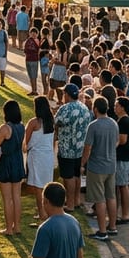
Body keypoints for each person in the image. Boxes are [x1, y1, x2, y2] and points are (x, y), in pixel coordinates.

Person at [81, 96, 118, 240]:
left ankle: (102, 231)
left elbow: (87, 148)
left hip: (97, 167)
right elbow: (115, 142)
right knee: (111, 196)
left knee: (99, 199)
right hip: (111, 165)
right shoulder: (114, 123)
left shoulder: (94, 126)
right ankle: (112, 226)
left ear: (95, 109)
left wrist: (83, 164)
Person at [54, 84, 92, 212]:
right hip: (80, 147)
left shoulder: (65, 109)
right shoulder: (84, 108)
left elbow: (57, 122)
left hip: (67, 148)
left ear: (67, 94)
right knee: (76, 175)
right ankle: (76, 200)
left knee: (68, 177)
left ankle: (69, 204)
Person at [0, 101, 26, 236]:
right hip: (18, 160)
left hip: (7, 162)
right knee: (16, 197)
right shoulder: (21, 126)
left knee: (7, 198)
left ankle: (9, 228)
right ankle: (17, 226)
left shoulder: (5, 128)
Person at [24, 97, 56, 227]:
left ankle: (42, 215)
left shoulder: (34, 122)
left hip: (36, 156)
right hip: (48, 156)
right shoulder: (51, 121)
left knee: (38, 187)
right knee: (46, 184)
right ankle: (45, 212)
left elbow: (25, 142)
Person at [112, 97, 129, 225]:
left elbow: (122, 140)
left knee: (122, 185)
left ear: (122, 107)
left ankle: (125, 214)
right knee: (120, 185)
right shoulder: (122, 120)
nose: (115, 108)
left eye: (116, 106)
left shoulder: (124, 121)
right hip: (123, 157)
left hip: (122, 157)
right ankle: (119, 212)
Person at [23, 28, 42, 96]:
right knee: (30, 76)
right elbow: (25, 50)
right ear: (30, 33)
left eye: (35, 33)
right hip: (28, 59)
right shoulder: (28, 41)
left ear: (37, 34)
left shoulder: (36, 40)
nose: (33, 34)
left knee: (34, 76)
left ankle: (35, 90)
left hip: (34, 60)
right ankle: (33, 90)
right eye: (32, 33)